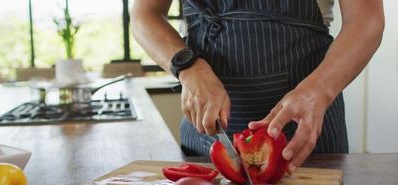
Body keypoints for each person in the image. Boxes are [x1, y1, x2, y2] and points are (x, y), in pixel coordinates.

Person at [131, 0, 384, 172]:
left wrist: (316, 92)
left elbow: (366, 20)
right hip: (206, 142)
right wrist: (187, 67)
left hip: (306, 140)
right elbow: (145, 14)